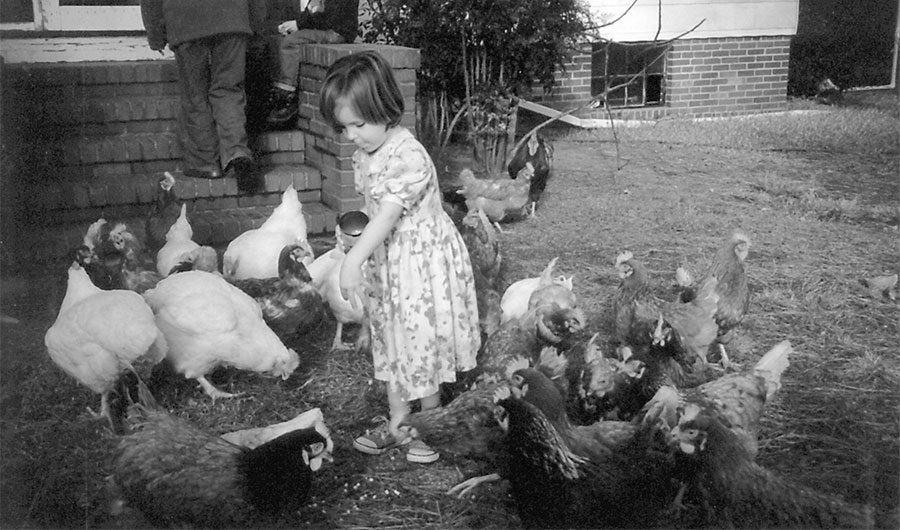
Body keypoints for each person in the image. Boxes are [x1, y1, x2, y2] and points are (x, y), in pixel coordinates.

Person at [318, 50, 481, 464]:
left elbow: (390, 214)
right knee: (390, 335)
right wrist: (356, 238)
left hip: (420, 265)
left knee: (420, 340)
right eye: (344, 126)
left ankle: (430, 424)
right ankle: (397, 421)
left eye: (359, 124)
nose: (352, 135)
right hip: (390, 261)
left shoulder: (408, 156)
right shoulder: (366, 153)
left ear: (386, 108)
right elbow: (375, 213)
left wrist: (353, 261)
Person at [140, 0, 265, 193]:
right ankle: (237, 152)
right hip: (232, 18)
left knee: (195, 95)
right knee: (229, 90)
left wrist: (156, 35)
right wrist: (256, 26)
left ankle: (205, 163)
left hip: (186, 20)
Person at [267, 0, 360, 128]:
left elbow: (324, 14)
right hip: (335, 30)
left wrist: (298, 24)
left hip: (336, 32)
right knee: (286, 39)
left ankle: (287, 97)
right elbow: (315, 11)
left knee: (289, 43)